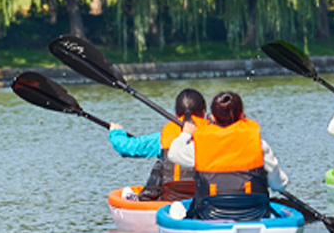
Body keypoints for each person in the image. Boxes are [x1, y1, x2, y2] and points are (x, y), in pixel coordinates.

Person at [167, 90, 289, 220]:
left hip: (210, 215)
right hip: (254, 213)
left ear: (212, 118)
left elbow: (173, 153)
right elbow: (279, 185)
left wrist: (186, 133)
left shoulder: (201, 146)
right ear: (242, 116)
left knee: (176, 208)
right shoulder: (259, 145)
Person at [109, 88, 207, 201]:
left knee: (160, 165)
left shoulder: (162, 137)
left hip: (169, 200)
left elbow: (126, 147)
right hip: (204, 199)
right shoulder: (214, 135)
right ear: (204, 113)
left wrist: (116, 132)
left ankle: (145, 198)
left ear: (176, 114)